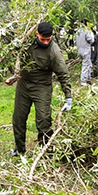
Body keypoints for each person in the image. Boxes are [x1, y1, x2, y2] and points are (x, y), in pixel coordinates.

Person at [12, 22, 72, 157]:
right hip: (24, 84)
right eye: (42, 39)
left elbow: (63, 74)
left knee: (44, 119)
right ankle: (19, 148)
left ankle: (45, 151)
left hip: (42, 86)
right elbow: (12, 49)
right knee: (18, 118)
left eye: (48, 39)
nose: (45, 42)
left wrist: (68, 96)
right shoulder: (26, 42)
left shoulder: (54, 52)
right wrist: (14, 46)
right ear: (36, 34)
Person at [75, 20, 94, 86]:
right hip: (86, 50)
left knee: (89, 64)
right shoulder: (86, 31)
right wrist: (92, 34)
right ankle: (83, 81)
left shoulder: (77, 31)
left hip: (79, 50)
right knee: (85, 65)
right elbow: (91, 39)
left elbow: (75, 41)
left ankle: (88, 78)